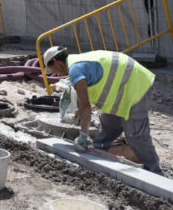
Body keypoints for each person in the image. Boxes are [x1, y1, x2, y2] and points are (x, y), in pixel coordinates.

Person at [43, 46, 162, 174]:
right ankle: (98, 153)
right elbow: (87, 103)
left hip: (136, 86)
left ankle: (155, 172)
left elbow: (86, 108)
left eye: (53, 69)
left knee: (136, 135)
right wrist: (81, 110)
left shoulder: (75, 70)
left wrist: (83, 135)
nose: (56, 73)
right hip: (122, 92)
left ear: (56, 61)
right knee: (108, 123)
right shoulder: (76, 62)